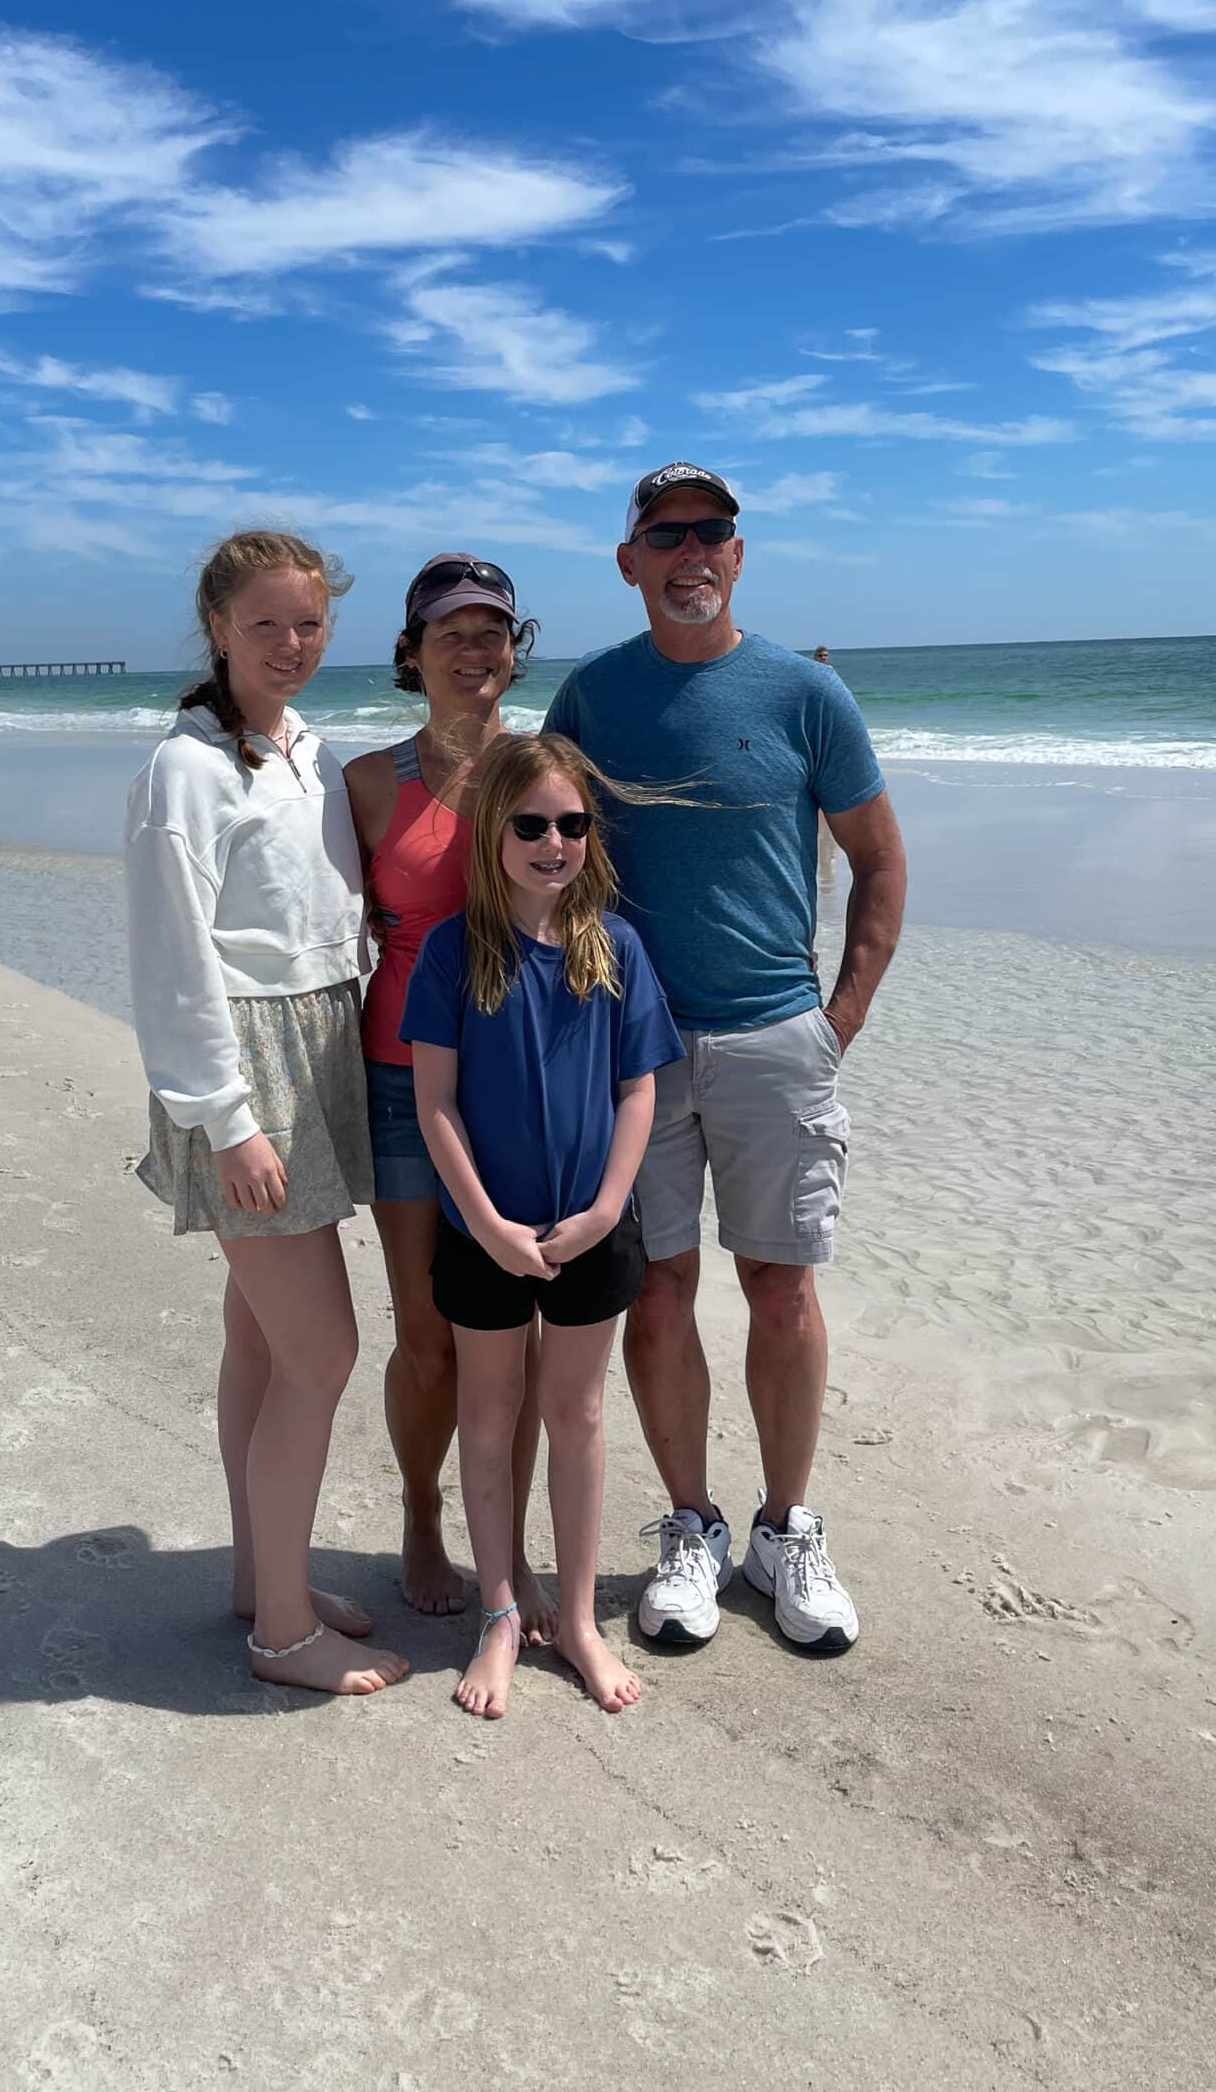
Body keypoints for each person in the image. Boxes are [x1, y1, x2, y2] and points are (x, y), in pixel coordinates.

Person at [545, 460, 908, 1658]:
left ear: (739, 555)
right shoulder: (592, 697)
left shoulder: (807, 693)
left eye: (712, 532)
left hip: (776, 1037)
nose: (690, 551)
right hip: (635, 1050)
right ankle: (691, 1525)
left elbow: (879, 859)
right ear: (629, 561)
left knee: (781, 1287)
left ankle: (786, 1529)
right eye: (666, 535)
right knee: (657, 1287)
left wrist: (839, 1017)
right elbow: (538, 849)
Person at [125, 527, 408, 1700]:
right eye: (265, 624)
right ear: (217, 629)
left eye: (309, 623)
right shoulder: (184, 769)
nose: (291, 643)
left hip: (319, 1046)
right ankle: (286, 1635)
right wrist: (225, 1118)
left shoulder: (307, 749)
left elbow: (316, 905)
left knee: (258, 1337)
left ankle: (261, 1577)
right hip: (247, 1075)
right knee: (321, 1349)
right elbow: (173, 960)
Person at [404, 733, 684, 1717]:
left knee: (578, 1413)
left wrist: (607, 1208)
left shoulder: (617, 947)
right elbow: (435, 1103)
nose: (552, 843)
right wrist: (483, 1222)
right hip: (484, 1232)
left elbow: (639, 1090)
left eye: (571, 824)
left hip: (592, 1231)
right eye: (529, 825)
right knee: (488, 1415)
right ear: (493, 832)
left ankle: (574, 1619)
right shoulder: (454, 950)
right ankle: (496, 1612)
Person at [344, 555, 553, 1630]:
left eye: (492, 632)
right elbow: (318, 923)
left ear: (515, 649)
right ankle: (423, 1513)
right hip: (400, 1077)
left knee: (515, 1337)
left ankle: (506, 1548)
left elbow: (588, 911)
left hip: (524, 1082)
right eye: (451, 633)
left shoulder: (548, 772)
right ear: (412, 654)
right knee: (427, 1333)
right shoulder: (368, 784)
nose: (474, 650)